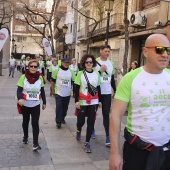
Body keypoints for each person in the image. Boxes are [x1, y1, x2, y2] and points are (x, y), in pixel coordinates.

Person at [109, 34, 170, 170]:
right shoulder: (130, 78)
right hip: (137, 152)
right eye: (160, 49)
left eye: (168, 50)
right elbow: (116, 115)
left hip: (166, 152)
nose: (165, 54)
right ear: (145, 52)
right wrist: (114, 154)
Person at [16, 59, 46, 151]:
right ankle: (25, 136)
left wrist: (44, 102)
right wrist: (19, 99)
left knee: (35, 123)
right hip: (25, 104)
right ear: (28, 67)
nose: (33, 68)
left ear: (37, 68)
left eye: (35, 66)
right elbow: (19, 90)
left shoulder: (40, 78)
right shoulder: (23, 77)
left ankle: (35, 143)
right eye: (31, 66)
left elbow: (42, 90)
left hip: (36, 104)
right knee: (25, 122)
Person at [74, 54, 101, 153]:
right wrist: (76, 101)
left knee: (91, 122)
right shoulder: (80, 74)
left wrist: (99, 100)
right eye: (87, 62)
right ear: (84, 64)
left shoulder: (97, 74)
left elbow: (98, 88)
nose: (89, 64)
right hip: (82, 100)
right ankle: (78, 129)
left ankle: (87, 142)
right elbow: (76, 88)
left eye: (90, 62)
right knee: (81, 121)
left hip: (93, 101)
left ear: (93, 63)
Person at [94, 45, 116, 146]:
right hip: (96, 92)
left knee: (106, 114)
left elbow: (111, 78)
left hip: (107, 92)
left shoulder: (111, 63)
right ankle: (92, 129)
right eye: (105, 51)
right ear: (100, 51)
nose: (107, 53)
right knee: (92, 113)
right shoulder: (94, 62)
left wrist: (115, 90)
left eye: (108, 51)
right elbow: (92, 77)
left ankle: (108, 136)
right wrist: (100, 71)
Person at [51, 58, 75, 128]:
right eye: (65, 62)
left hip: (67, 92)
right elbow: (53, 80)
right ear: (61, 63)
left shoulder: (71, 71)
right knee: (59, 106)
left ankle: (62, 117)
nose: (66, 64)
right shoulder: (57, 70)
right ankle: (58, 121)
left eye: (67, 63)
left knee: (65, 107)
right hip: (58, 92)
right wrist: (52, 90)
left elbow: (74, 81)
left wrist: (74, 91)